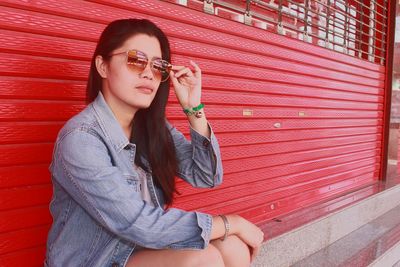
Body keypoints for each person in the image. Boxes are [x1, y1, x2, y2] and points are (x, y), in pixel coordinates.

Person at [44, 18, 264, 267]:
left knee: (233, 246)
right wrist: (232, 222)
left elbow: (207, 176)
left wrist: (193, 108)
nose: (148, 72)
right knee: (204, 259)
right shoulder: (81, 139)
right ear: (102, 66)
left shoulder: (152, 127)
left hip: (139, 249)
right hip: (95, 260)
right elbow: (142, 225)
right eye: (135, 60)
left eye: (158, 65)